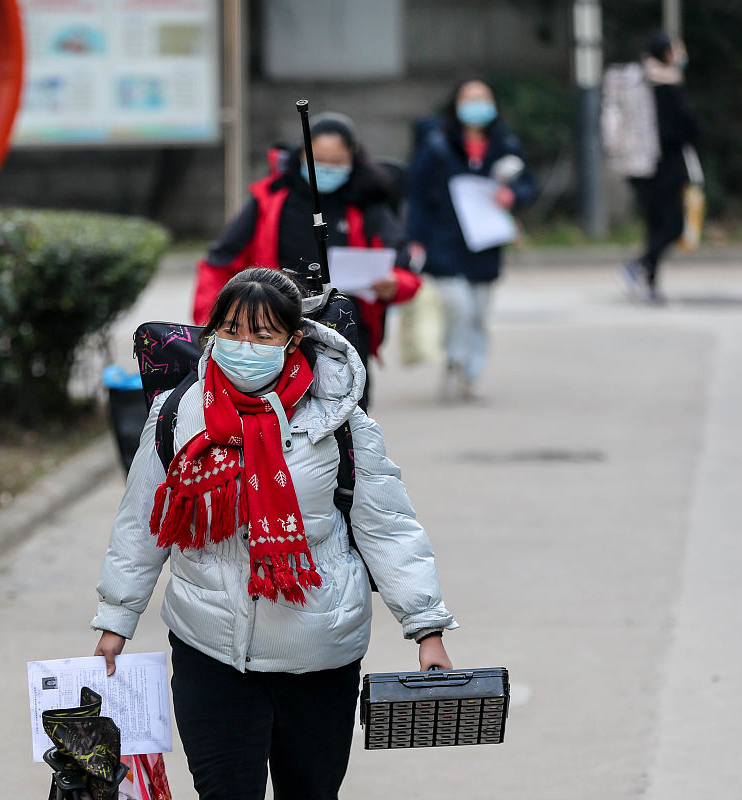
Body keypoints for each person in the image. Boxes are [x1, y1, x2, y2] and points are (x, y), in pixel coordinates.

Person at [93, 268, 456, 800]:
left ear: (294, 339)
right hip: (210, 648)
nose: (245, 346)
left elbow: (388, 528)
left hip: (319, 651)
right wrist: (116, 619)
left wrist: (426, 627)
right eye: (232, 330)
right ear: (211, 332)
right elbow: (140, 526)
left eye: (263, 334)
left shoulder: (339, 421)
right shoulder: (176, 415)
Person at [192, 113, 420, 409]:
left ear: (353, 157)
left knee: (348, 419)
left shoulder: (368, 204)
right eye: (318, 160)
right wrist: (207, 322)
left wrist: (394, 285)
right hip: (275, 332)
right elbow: (219, 262)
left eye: (336, 161)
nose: (326, 169)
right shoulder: (270, 199)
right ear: (300, 156)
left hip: (347, 334)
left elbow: (406, 271)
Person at [406, 78, 535, 403]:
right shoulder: (437, 144)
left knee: (478, 312)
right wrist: (414, 238)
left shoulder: (505, 144)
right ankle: (455, 362)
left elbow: (527, 185)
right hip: (443, 240)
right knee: (457, 307)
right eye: (469, 98)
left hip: (485, 243)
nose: (476, 106)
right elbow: (418, 194)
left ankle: (469, 375)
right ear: (456, 104)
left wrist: (513, 195)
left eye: (483, 98)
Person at [621, 32, 699, 305]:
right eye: (677, 50)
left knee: (655, 227)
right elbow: (684, 129)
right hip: (665, 169)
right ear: (667, 54)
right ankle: (639, 266)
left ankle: (649, 283)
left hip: (639, 168)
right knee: (674, 226)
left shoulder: (638, 83)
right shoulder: (667, 87)